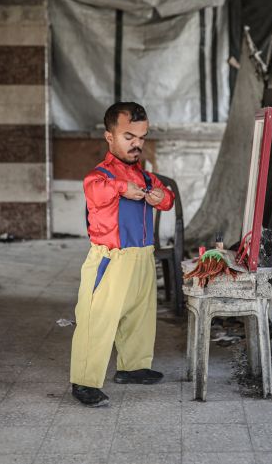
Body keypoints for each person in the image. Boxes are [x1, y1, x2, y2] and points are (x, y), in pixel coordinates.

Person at [70, 101, 175, 407]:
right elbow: (96, 191)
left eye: (141, 138)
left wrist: (160, 196)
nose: (137, 144)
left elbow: (166, 200)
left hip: (141, 257)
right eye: (129, 136)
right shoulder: (99, 175)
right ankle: (84, 382)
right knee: (97, 320)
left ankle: (133, 366)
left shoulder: (144, 176)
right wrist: (120, 187)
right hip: (110, 259)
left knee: (140, 315)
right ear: (109, 137)